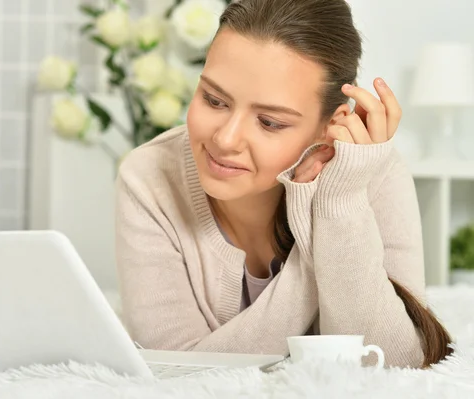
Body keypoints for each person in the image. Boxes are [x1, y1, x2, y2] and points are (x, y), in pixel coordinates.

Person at [115, 0, 452, 368]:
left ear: (332, 124)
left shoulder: (376, 175)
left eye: (270, 122)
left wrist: (340, 202)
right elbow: (172, 370)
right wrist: (312, 248)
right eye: (213, 99)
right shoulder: (150, 177)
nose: (225, 139)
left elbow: (392, 365)